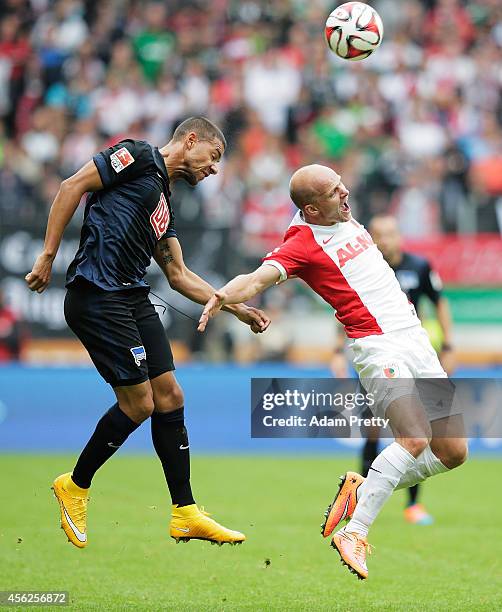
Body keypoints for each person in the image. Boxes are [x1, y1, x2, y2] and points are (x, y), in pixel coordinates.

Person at [198, 164, 467, 580]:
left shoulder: (341, 213)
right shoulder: (301, 243)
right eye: (335, 193)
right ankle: (355, 532)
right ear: (311, 208)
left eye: (343, 187)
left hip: (415, 338)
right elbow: (257, 278)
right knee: (412, 437)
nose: (346, 196)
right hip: (376, 346)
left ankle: (360, 489)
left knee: (454, 452)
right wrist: (223, 298)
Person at [25, 116, 270, 549]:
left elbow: (178, 274)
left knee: (171, 395)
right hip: (98, 293)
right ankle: (75, 486)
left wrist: (236, 310)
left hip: (132, 296)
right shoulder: (137, 156)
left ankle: (185, 513)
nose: (214, 169)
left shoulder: (163, 202)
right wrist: (47, 256)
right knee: (140, 403)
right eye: (213, 157)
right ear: (190, 140)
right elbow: (71, 186)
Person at [331, 213, 455, 525]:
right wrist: (335, 351)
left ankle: (412, 505)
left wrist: (449, 345)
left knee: (420, 434)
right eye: (379, 234)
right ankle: (360, 497)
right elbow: (344, 310)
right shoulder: (364, 270)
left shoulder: (419, 267)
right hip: (380, 359)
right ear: (369, 238)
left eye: (390, 233)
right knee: (373, 432)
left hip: (414, 357)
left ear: (399, 236)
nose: (385, 239)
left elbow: (439, 302)